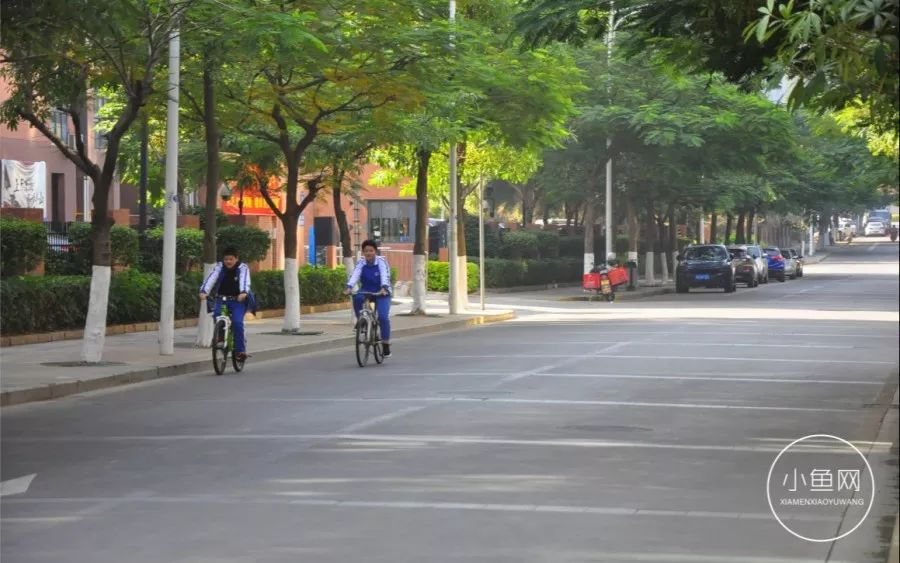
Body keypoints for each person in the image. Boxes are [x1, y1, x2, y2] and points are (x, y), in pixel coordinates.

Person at [199, 246, 252, 361]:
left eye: (231, 259)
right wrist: (204, 291)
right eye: (226, 259)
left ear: (236, 259)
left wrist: (243, 292)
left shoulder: (242, 268)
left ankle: (240, 351)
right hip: (221, 299)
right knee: (217, 315)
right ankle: (221, 338)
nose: (228, 261)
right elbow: (211, 278)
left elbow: (244, 280)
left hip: (238, 301)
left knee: (237, 322)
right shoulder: (219, 267)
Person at [344, 239, 392, 357]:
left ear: (375, 251)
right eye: (366, 251)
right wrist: (349, 287)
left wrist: (384, 287)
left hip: (382, 292)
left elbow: (385, 275)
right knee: (357, 298)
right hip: (366, 290)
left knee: (383, 317)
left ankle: (385, 344)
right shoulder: (361, 262)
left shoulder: (381, 262)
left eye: (371, 250)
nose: (368, 253)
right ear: (363, 252)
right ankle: (362, 321)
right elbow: (355, 275)